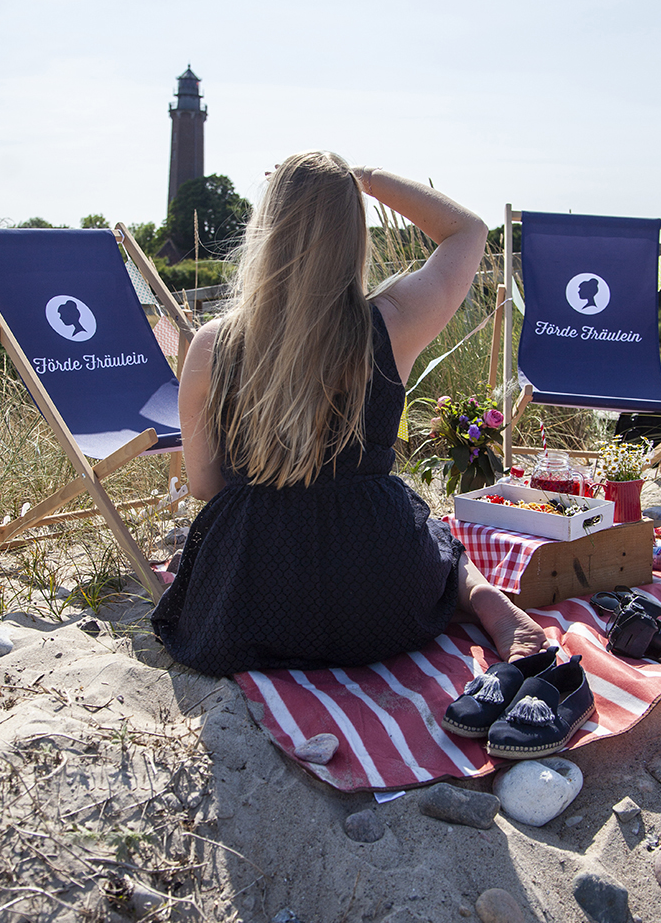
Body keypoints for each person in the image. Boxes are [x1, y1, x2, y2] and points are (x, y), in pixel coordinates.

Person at [152, 152, 546, 675]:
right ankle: (484, 598)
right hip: (382, 599)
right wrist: (366, 179)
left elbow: (204, 486)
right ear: (353, 233)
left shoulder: (212, 345)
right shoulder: (392, 322)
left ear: (265, 230)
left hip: (253, 608)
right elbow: (467, 232)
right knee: (432, 536)